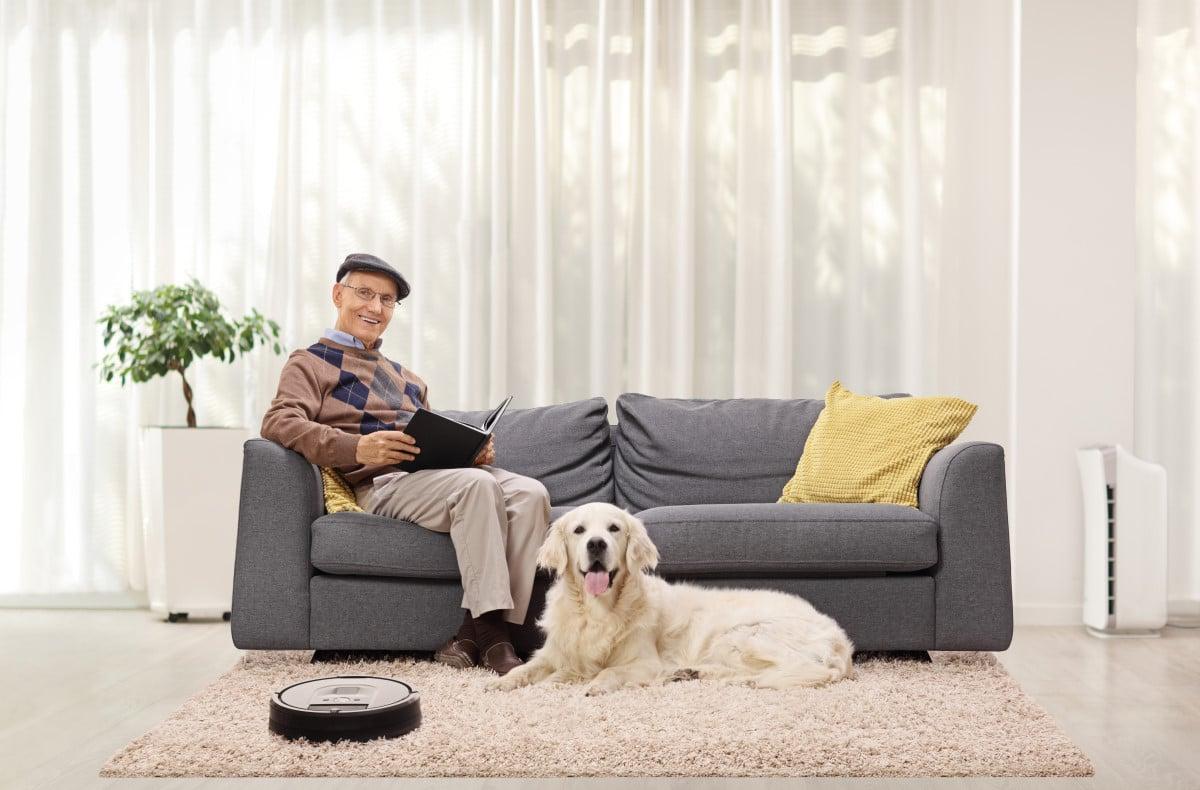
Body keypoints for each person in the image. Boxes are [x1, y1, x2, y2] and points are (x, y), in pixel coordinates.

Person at [260, 252, 550, 676]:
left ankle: (477, 632)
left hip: (427, 479)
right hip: (379, 485)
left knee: (531, 493)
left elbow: (427, 443)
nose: (375, 308)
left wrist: (472, 452)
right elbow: (279, 422)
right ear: (338, 294)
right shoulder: (309, 362)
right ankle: (493, 639)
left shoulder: (409, 378)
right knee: (476, 487)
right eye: (364, 293)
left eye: (387, 300)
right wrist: (359, 449)